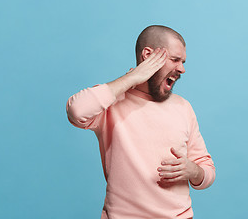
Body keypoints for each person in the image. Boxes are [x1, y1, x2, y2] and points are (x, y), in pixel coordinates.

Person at [66, 25, 215, 218]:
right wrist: (133, 78)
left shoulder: (183, 107)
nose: (182, 69)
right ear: (147, 55)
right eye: (175, 60)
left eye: (183, 61)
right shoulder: (111, 103)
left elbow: (207, 169)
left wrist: (194, 171)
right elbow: (77, 110)